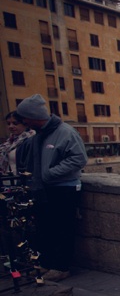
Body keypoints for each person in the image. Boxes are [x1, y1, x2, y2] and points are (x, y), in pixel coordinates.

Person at [14, 94, 88, 282]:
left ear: (33, 116)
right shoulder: (38, 136)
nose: (23, 122)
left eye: (25, 118)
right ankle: (45, 264)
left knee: (62, 228)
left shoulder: (66, 132)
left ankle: (61, 267)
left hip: (63, 188)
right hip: (43, 189)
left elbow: (79, 159)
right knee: (45, 228)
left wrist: (49, 173)